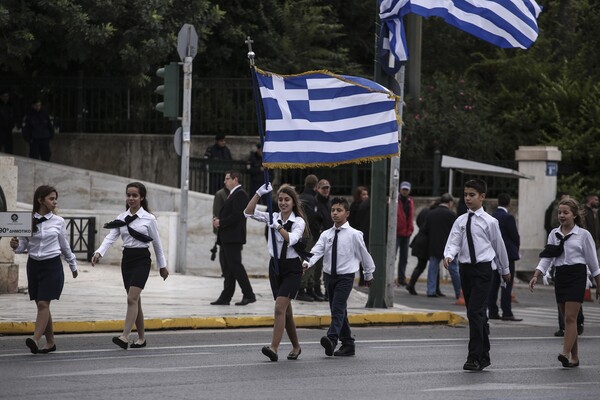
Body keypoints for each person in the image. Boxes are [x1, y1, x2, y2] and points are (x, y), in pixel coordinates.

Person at [91, 182, 169, 349]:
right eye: (129, 195)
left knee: (131, 298)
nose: (131, 198)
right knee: (136, 301)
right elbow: (111, 237)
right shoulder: (122, 218)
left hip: (142, 259)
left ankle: (125, 336)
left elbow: (157, 244)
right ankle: (141, 339)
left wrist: (163, 266)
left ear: (141, 197)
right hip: (127, 260)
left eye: (135, 195)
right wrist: (98, 253)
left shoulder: (149, 219)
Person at [443, 179, 510, 371]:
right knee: (477, 313)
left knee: (474, 311)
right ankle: (484, 355)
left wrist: (505, 270)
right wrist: (448, 255)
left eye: (472, 195)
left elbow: (499, 247)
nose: (467, 198)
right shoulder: (461, 221)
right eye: (465, 195)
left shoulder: (490, 222)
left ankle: (473, 357)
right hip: (466, 270)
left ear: (482, 197)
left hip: (483, 270)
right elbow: (454, 242)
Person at [529, 198, 600, 368]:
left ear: (574, 215)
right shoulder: (554, 234)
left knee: (570, 317)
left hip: (577, 275)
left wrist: (598, 283)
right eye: (560, 212)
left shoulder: (583, 235)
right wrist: (537, 274)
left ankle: (564, 352)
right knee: (567, 318)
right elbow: (548, 256)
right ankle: (574, 357)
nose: (561, 215)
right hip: (560, 276)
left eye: (565, 212)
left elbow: (593, 262)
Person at [303, 197, 376, 357]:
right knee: (339, 310)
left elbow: (364, 255)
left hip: (345, 277)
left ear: (347, 213)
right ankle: (348, 344)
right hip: (329, 277)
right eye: (333, 210)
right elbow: (316, 251)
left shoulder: (354, 235)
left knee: (337, 309)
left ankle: (332, 338)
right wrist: (306, 263)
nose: (335, 213)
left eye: (339, 210)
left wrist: (368, 273)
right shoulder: (326, 234)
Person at [10, 185, 78, 354]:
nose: (55, 202)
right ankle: (50, 342)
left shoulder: (58, 221)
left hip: (52, 266)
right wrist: (15, 246)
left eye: (55, 198)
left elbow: (64, 245)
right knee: (42, 306)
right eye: (51, 198)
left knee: (43, 303)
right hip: (33, 266)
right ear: (40, 200)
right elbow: (23, 247)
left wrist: (73, 264)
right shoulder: (27, 220)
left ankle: (35, 339)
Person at [245, 183, 309, 361]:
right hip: (275, 267)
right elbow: (248, 212)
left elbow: (292, 239)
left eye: (286, 200)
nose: (282, 203)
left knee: (279, 307)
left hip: (291, 269)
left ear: (293, 202)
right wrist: (258, 193)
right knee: (286, 312)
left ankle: (274, 348)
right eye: (280, 199)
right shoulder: (273, 215)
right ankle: (296, 346)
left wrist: (278, 227)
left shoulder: (298, 222)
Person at [210, 170, 256, 306]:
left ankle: (249, 294)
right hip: (227, 238)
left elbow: (237, 216)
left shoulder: (240, 194)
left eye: (227, 179)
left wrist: (221, 222)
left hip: (233, 238)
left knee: (236, 267)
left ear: (235, 179)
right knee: (228, 269)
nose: (225, 181)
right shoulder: (233, 194)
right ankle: (226, 297)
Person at [488, 193, 522, 321]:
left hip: (493, 254)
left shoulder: (492, 216)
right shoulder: (508, 218)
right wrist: (516, 249)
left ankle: (492, 311)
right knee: (507, 283)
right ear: (509, 203)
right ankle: (506, 311)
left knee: (494, 283)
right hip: (507, 254)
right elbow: (514, 236)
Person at [423, 193, 461, 299]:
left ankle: (431, 290)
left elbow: (425, 229)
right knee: (454, 270)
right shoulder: (452, 215)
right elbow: (457, 232)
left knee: (433, 269)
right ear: (450, 203)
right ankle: (459, 292)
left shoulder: (431, 214)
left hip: (434, 245)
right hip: (448, 248)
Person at [297, 174, 322, 302]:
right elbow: (312, 218)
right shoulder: (312, 199)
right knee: (309, 263)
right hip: (310, 234)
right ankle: (302, 289)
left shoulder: (301, 197)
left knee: (306, 261)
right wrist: (317, 230)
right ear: (315, 185)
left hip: (302, 233)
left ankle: (308, 288)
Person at [406, 200, 437, 296]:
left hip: (419, 240)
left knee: (421, 265)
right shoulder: (433, 215)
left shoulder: (424, 211)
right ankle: (411, 285)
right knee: (421, 266)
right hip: (425, 243)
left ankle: (411, 284)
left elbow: (419, 222)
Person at [312, 179, 333, 300]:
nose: (326, 190)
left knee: (329, 266)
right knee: (318, 266)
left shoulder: (330, 202)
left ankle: (327, 290)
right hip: (320, 237)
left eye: (327, 188)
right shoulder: (316, 202)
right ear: (318, 189)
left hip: (330, 237)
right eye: (323, 188)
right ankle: (316, 288)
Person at [348, 186, 369, 286]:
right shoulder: (356, 206)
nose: (365, 196)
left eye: (366, 194)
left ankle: (363, 279)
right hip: (357, 234)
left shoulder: (365, 206)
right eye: (363, 194)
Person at [395, 181, 414, 287]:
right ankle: (389, 276)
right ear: (400, 190)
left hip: (406, 233)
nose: (405, 191)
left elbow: (410, 217)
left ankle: (401, 278)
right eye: (403, 189)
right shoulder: (395, 200)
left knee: (404, 257)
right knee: (392, 256)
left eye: (406, 190)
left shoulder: (410, 201)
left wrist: (410, 229)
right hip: (397, 232)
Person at [211, 185, 230, 273]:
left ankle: (228, 270)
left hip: (230, 227)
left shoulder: (234, 193)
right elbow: (216, 211)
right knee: (223, 250)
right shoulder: (220, 194)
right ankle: (224, 270)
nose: (225, 181)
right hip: (221, 226)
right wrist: (217, 223)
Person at [0, 88, 16, 154]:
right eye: (4, 96)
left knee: (9, 149)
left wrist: (12, 124)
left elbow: (14, 115)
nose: (6, 98)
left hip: (8, 129)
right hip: (1, 129)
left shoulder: (11, 105)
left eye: (7, 96)